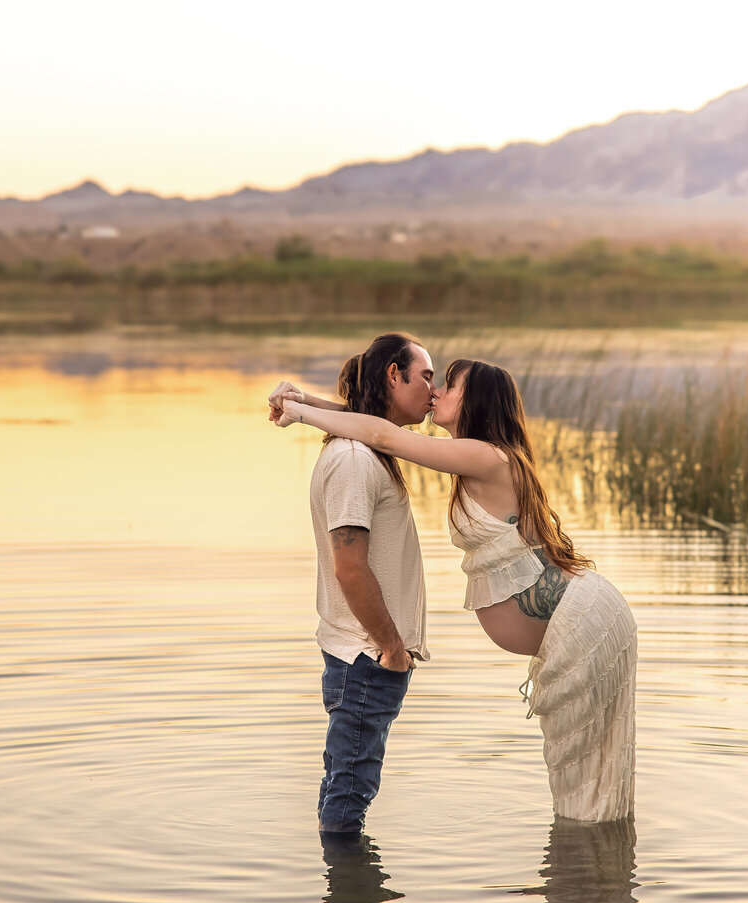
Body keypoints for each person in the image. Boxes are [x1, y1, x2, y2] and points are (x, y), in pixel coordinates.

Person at [271, 358, 636, 822]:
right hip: (579, 619)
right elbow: (376, 425)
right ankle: (591, 860)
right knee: (580, 771)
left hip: (586, 621)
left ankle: (590, 858)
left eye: (449, 385)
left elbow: (383, 435)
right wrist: (304, 399)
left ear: (475, 400)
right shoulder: (474, 456)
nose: (436, 392)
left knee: (584, 773)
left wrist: (301, 414)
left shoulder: (486, 456)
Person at [293, 332, 437, 837]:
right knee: (349, 796)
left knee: (345, 784)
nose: (433, 391)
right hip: (367, 657)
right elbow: (349, 568)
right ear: (394, 375)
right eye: (425, 377)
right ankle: (348, 888)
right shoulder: (355, 460)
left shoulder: (366, 449)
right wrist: (392, 648)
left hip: (363, 655)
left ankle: (341, 883)